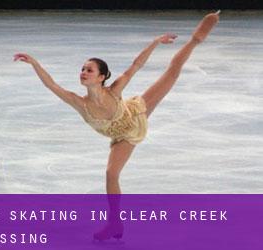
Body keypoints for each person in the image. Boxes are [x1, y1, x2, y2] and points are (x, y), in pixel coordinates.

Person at [14, 11, 220, 240]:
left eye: (89, 70)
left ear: (101, 77)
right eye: (82, 69)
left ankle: (195, 39)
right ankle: (114, 223)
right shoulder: (79, 103)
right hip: (124, 137)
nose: (83, 73)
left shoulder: (114, 90)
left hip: (138, 112)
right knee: (111, 174)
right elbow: (51, 85)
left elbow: (137, 65)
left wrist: (155, 42)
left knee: (171, 72)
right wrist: (34, 63)